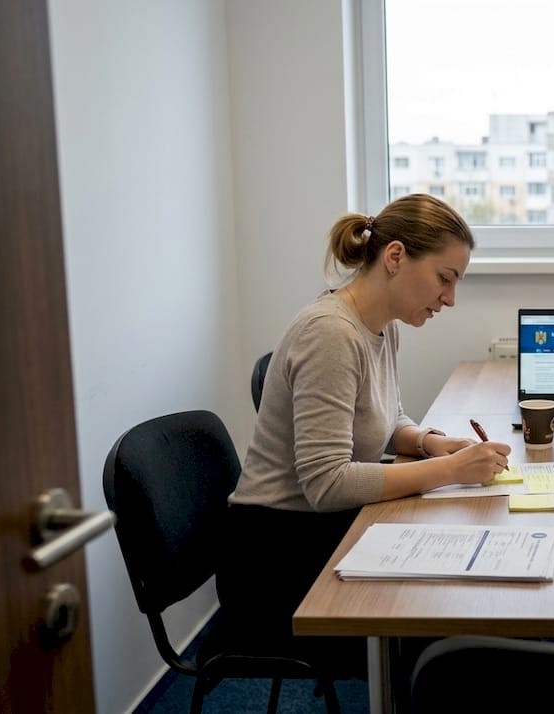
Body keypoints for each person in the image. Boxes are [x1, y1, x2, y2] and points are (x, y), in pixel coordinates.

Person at [216, 193, 512, 675]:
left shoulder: (380, 326)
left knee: (458, 580)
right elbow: (326, 483)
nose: (450, 299)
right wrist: (448, 470)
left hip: (320, 530)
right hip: (277, 559)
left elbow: (384, 420)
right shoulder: (330, 334)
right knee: (449, 620)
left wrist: (427, 443)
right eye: (445, 279)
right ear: (395, 257)